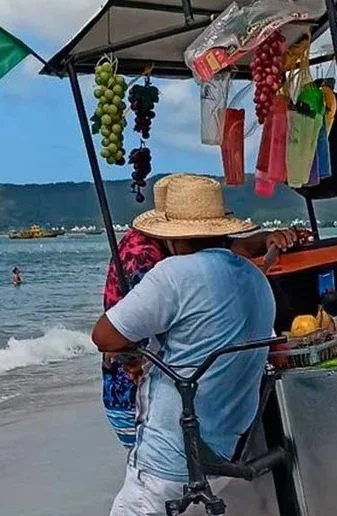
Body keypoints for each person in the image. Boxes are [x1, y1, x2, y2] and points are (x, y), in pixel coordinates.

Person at [92, 174, 277, 515]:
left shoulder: (174, 275)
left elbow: (104, 336)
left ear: (175, 237)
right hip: (224, 453)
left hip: (166, 465)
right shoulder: (256, 279)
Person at [101, 174, 301, 449]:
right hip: (134, 392)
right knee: (165, 475)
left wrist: (268, 238)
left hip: (180, 404)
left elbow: (234, 249)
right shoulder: (145, 259)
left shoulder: (190, 251)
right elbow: (116, 336)